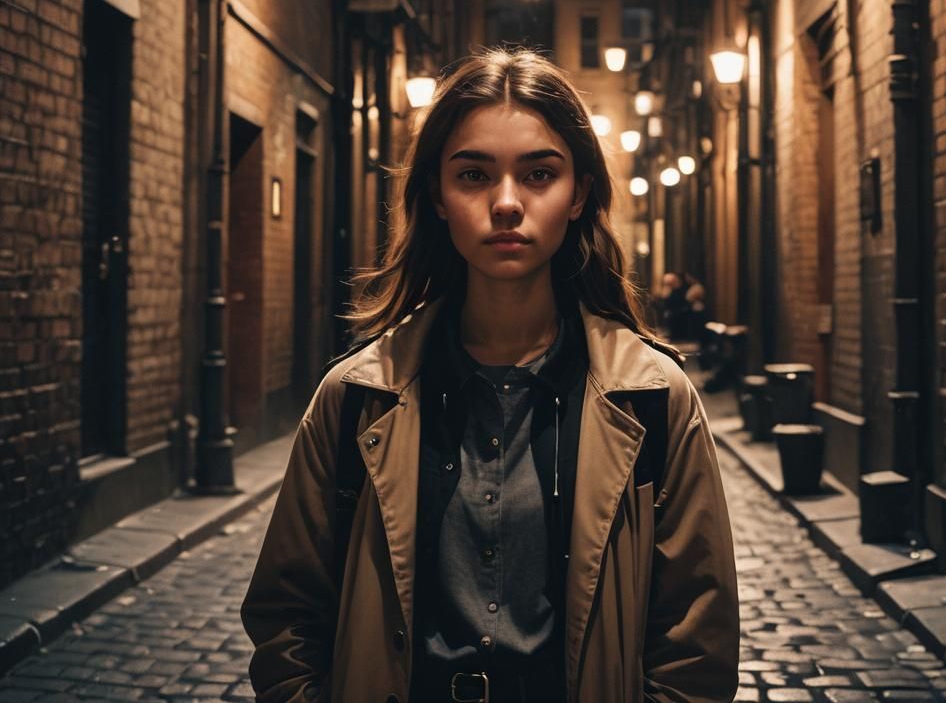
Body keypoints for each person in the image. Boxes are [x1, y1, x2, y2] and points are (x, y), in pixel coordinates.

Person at [240, 47, 739, 703]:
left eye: (538, 174)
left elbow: (695, 646)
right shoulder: (359, 397)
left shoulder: (651, 400)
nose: (507, 203)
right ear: (439, 198)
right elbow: (287, 616)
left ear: (580, 191)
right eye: (474, 175)